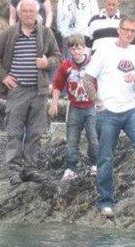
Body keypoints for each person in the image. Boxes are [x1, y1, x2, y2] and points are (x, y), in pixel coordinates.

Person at [83, 16, 135, 218]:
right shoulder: (104, 50)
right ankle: (105, 201)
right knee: (106, 157)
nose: (129, 33)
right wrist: (96, 101)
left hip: (130, 110)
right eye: (126, 29)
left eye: (133, 31)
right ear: (119, 30)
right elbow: (87, 78)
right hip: (108, 112)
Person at [0, 0, 62, 186]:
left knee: (35, 132)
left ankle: (30, 168)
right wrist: (3, 76)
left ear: (37, 13)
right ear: (19, 14)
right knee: (14, 132)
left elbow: (58, 57)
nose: (28, 14)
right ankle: (13, 171)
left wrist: (47, 63)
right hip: (17, 90)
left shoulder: (46, 33)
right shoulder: (9, 33)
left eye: (31, 11)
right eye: (25, 11)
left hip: (39, 90)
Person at [48, 34, 98, 181]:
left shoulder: (93, 63)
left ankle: (94, 164)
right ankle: (71, 168)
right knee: (71, 140)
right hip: (74, 106)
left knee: (94, 137)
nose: (76, 52)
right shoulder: (65, 66)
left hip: (91, 106)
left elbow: (102, 80)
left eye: (79, 48)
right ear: (69, 50)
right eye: (73, 49)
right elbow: (57, 85)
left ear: (84, 48)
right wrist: (54, 104)